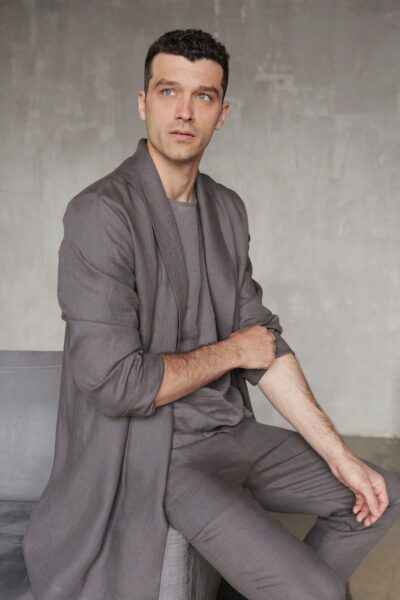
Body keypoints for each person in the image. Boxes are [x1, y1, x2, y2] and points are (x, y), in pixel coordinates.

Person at [23, 28, 400, 600]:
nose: (184, 111)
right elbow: (116, 383)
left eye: (203, 96)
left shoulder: (226, 209)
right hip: (161, 455)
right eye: (168, 91)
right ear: (143, 102)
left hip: (230, 431)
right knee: (318, 592)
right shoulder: (100, 213)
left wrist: (342, 456)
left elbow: (264, 344)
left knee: (378, 496)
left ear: (222, 113)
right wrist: (232, 351)